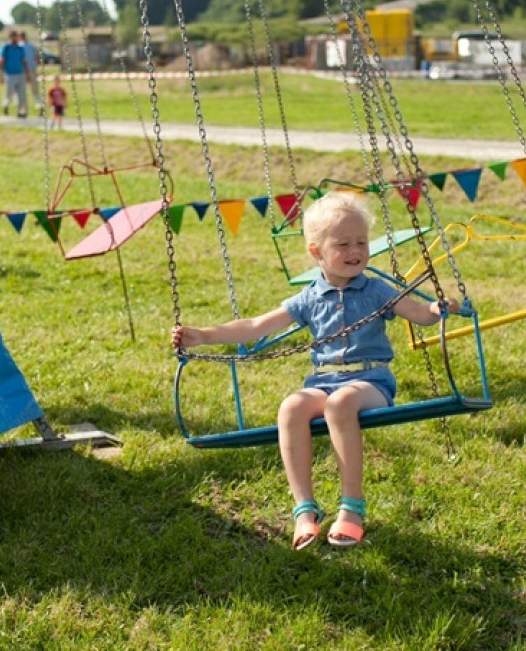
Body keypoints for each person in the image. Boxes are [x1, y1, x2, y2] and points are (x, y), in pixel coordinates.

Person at [172, 190, 460, 552]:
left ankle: (352, 507)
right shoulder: (309, 298)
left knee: (340, 404)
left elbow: (418, 313)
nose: (355, 251)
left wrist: (437, 308)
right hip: (324, 381)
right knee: (291, 406)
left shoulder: (376, 291)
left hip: (370, 382)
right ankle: (304, 509)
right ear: (316, 251)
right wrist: (203, 336)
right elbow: (257, 325)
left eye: (361, 242)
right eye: (343, 244)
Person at [0, 30, 30, 118]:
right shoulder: (6, 48)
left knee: (21, 93)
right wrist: (0, 75)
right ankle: (6, 104)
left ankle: (21, 110)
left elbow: (24, 61)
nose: (14, 38)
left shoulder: (20, 48)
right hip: (9, 74)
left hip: (20, 73)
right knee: (9, 92)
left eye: (15, 36)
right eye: (12, 36)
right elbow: (2, 61)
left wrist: (28, 74)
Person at [19, 30, 43, 114]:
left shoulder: (20, 46)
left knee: (23, 91)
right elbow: (38, 57)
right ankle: (39, 106)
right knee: (35, 90)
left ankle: (24, 110)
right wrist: (35, 64)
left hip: (23, 71)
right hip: (32, 69)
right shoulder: (31, 45)